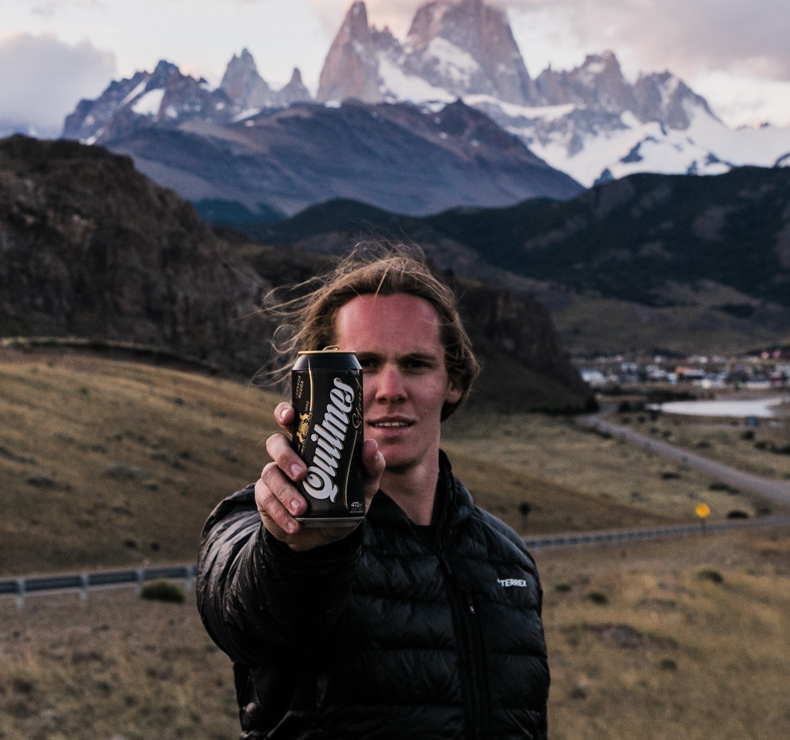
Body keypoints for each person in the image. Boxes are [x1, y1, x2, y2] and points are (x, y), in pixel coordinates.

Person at [196, 247, 549, 739]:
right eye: (362, 365)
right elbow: (248, 618)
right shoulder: (265, 522)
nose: (389, 389)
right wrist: (304, 550)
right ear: (315, 383)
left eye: (417, 364)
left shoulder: (508, 559)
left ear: (455, 381)